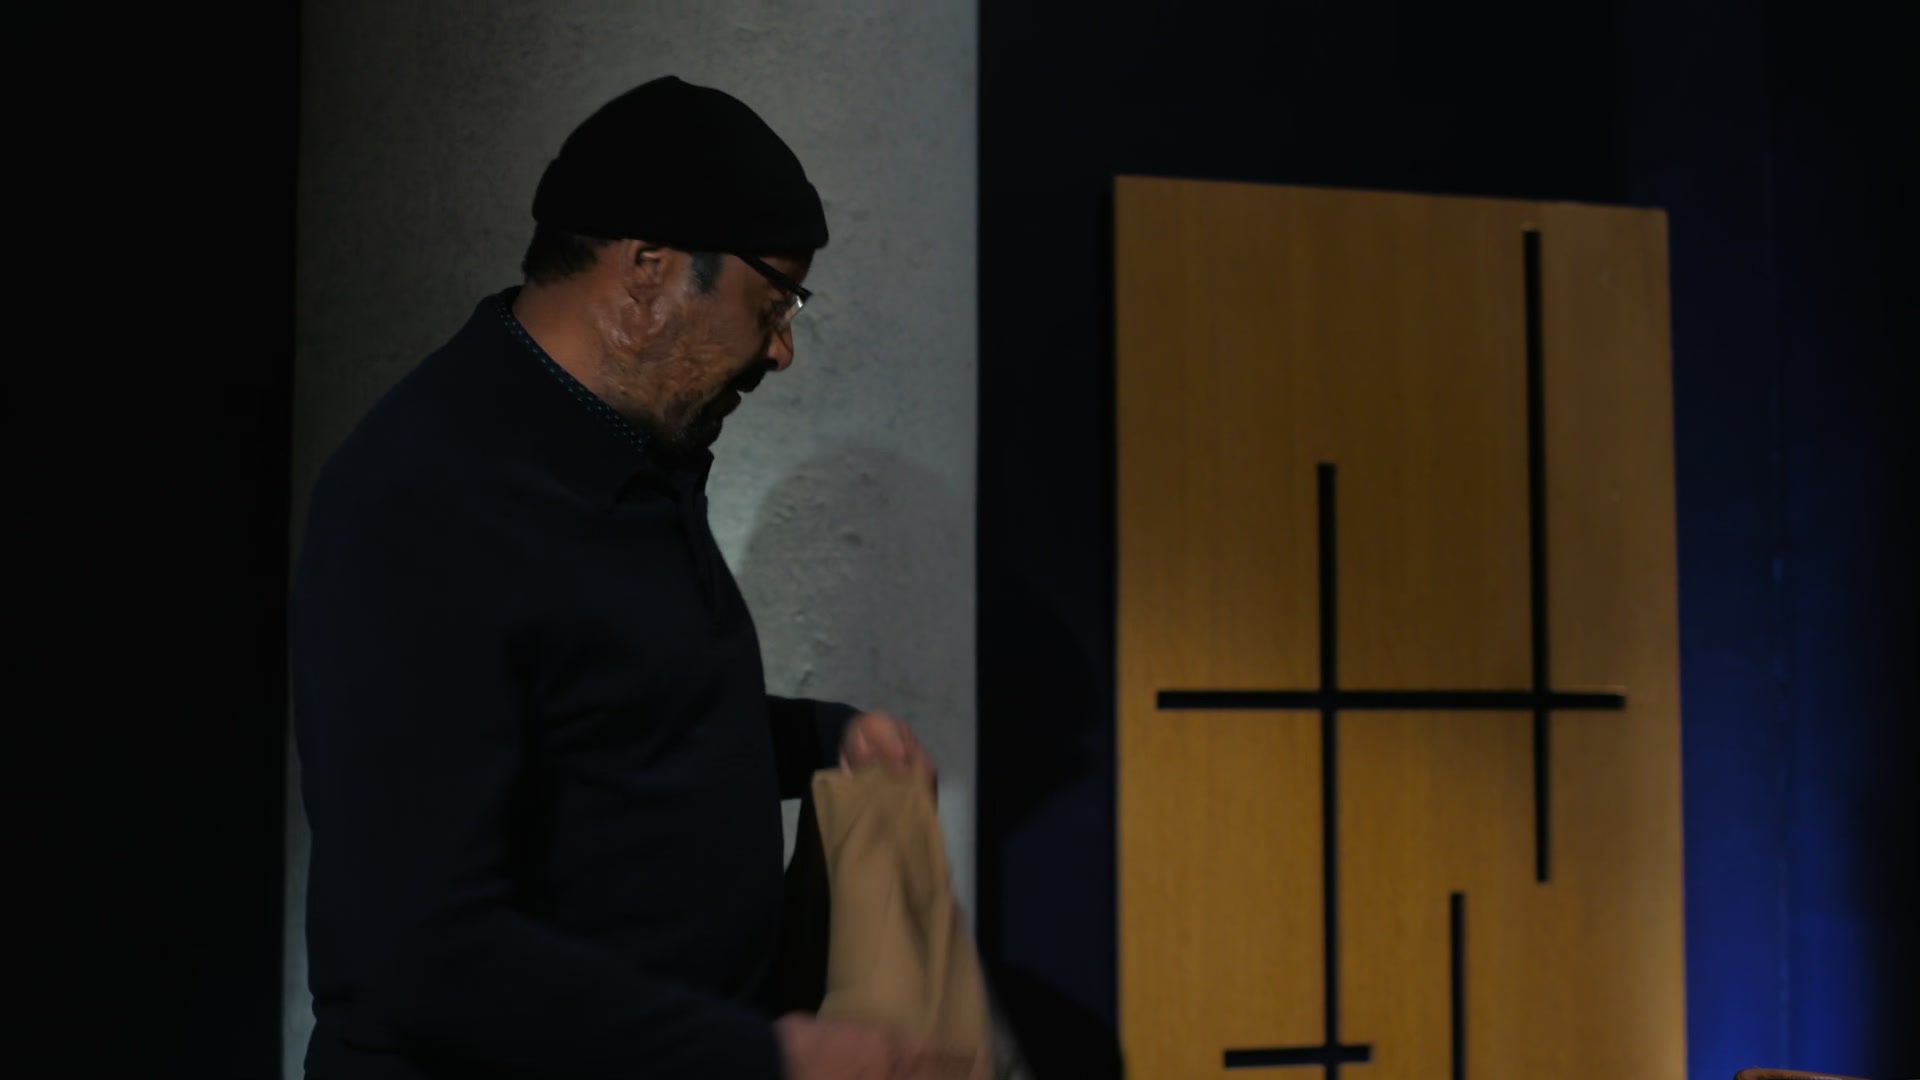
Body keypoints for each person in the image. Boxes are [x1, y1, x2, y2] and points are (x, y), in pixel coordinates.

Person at [291, 75, 957, 1079]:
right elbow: (420, 950)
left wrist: (830, 739)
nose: (781, 350)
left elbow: (622, 717)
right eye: (774, 302)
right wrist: (770, 1056)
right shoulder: (424, 499)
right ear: (648, 272)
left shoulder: (641, 455)